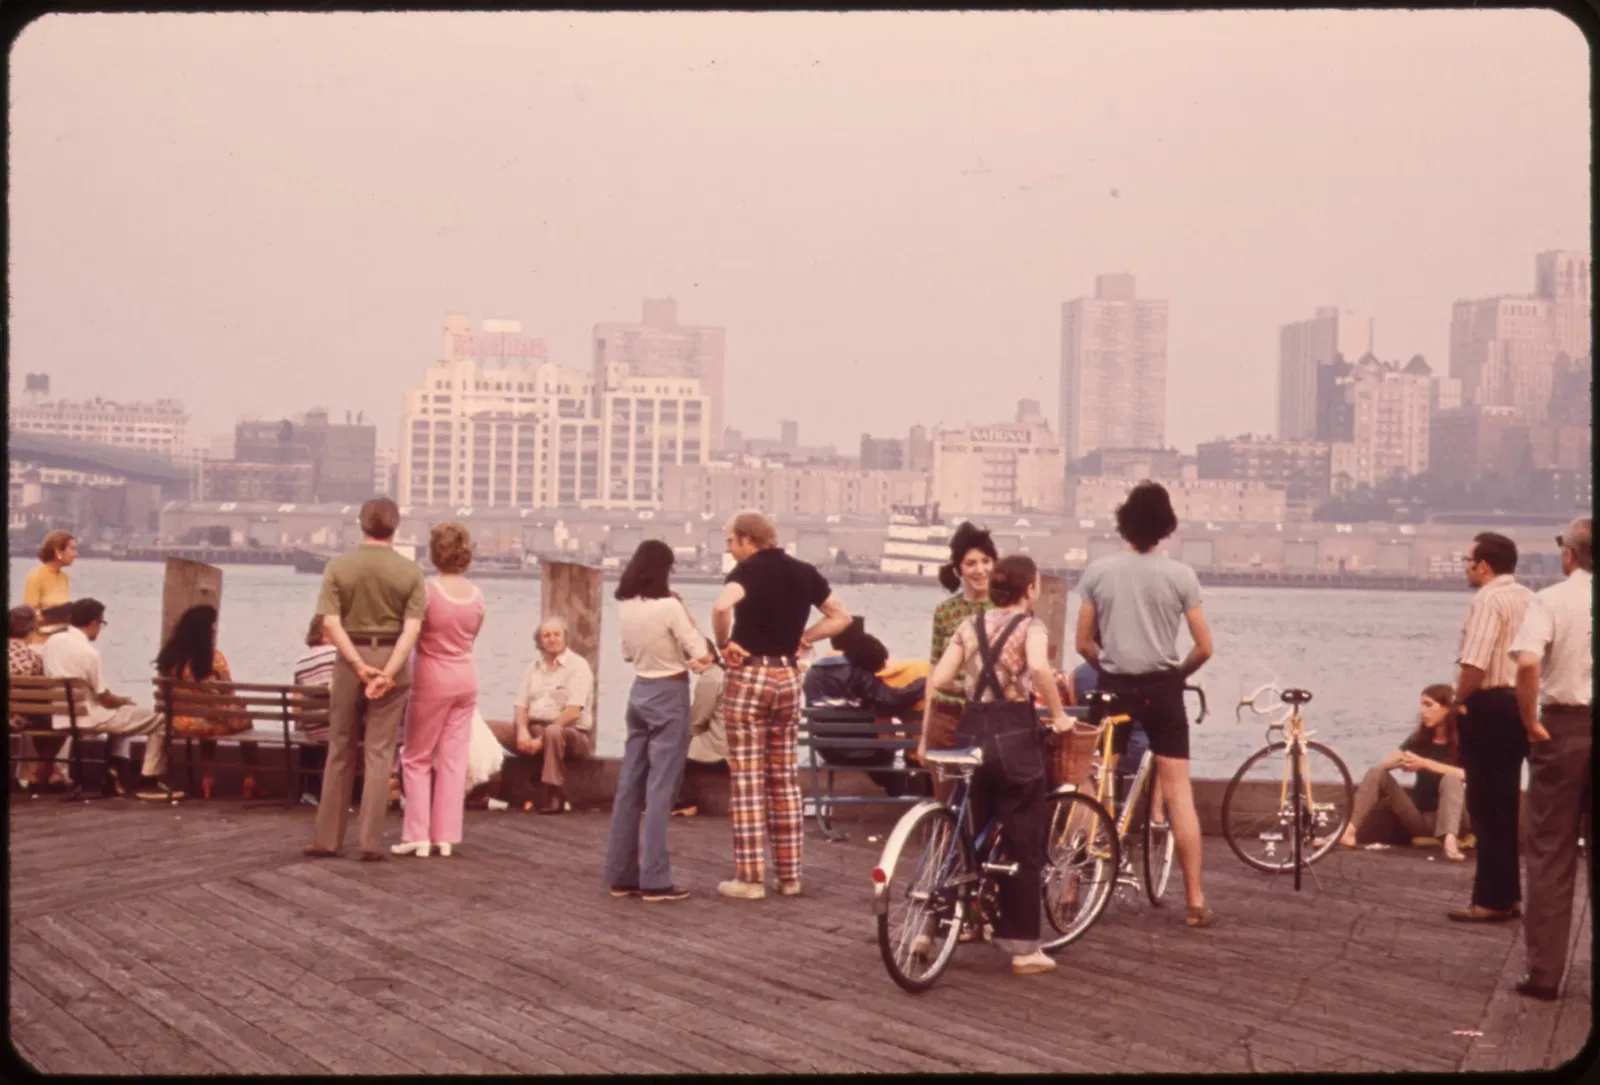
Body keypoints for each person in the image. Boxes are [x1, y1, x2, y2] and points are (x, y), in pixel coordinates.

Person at [1074, 481, 1215, 928]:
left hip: (1114, 686)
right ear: (1166, 527)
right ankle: (1195, 899)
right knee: (1178, 794)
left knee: (1091, 784)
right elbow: (1204, 646)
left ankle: (1069, 888)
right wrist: (1177, 674)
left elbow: (1082, 644)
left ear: (1124, 525)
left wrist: (1111, 663)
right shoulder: (1181, 576)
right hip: (1163, 689)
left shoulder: (1098, 573)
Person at [927, 554, 1073, 975]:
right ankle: (1023, 948)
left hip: (971, 729)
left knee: (968, 826)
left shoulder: (968, 626)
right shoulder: (1032, 626)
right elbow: (1041, 670)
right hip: (1013, 733)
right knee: (1023, 837)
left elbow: (939, 680)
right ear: (1030, 590)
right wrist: (1060, 716)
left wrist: (971, 684)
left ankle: (934, 924)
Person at [711, 510, 852, 900]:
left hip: (751, 676)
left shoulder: (748, 571)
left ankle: (751, 879)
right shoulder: (804, 572)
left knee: (747, 780)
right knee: (784, 779)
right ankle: (789, 877)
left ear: (747, 540)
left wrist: (724, 645)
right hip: (789, 679)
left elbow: (722, 607)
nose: (729, 549)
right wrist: (805, 637)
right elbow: (841, 616)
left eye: (730, 541)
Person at [303, 497, 427, 862]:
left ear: (361, 524)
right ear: (395, 527)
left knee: (340, 748)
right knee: (379, 753)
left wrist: (358, 665)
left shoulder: (338, 567)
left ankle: (327, 839)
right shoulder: (411, 573)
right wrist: (387, 672)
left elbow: (330, 623)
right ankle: (370, 841)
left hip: (350, 659)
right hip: (392, 658)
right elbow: (412, 630)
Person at [604, 540, 716, 902]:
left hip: (639, 691)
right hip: (669, 692)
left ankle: (621, 874)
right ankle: (655, 879)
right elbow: (698, 650)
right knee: (659, 789)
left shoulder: (626, 605)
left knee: (629, 788)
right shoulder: (670, 606)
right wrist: (688, 618)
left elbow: (625, 653)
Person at [1510, 518, 1592, 1000]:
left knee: (1550, 851)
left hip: (1564, 726)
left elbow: (1526, 662)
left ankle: (1544, 974)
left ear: (1570, 555)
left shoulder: (1551, 599)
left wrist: (1529, 721)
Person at [1447, 531, 1534, 923]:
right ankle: (1509, 895)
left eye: (1469, 561)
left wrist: (1455, 701)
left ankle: (1490, 900)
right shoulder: (1529, 598)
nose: (1466, 568)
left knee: (1485, 805)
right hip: (1521, 703)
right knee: (1507, 801)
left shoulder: (1488, 601)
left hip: (1488, 705)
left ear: (1484, 565)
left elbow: (1474, 664)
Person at [393, 522, 485, 859]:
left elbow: (413, 634)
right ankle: (446, 836)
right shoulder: (477, 596)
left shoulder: (427, 592)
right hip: (466, 678)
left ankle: (417, 834)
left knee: (416, 757)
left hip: (432, 678)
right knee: (452, 759)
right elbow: (473, 636)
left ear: (434, 554)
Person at [40, 598, 175, 800]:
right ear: (94, 623)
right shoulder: (89, 653)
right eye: (101, 624)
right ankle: (149, 779)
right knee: (160, 721)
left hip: (62, 718)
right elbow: (105, 699)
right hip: (90, 718)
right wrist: (124, 700)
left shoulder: (51, 643)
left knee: (123, 722)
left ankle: (114, 776)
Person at [1337, 685, 1469, 860]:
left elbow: (1470, 776)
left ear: (1446, 709)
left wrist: (1424, 764)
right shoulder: (1420, 738)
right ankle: (1348, 832)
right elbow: (1383, 765)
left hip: (1456, 820)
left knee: (1451, 779)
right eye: (1422, 705)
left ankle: (1450, 843)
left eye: (1428, 705)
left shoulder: (1464, 741)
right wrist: (1402, 761)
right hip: (1420, 819)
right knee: (1377, 772)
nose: (1423, 711)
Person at [921, 522, 997, 802]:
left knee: (986, 806)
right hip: (946, 719)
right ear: (958, 570)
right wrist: (924, 732)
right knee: (945, 806)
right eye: (971, 563)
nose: (980, 570)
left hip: (990, 719)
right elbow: (934, 670)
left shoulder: (1007, 609)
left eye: (986, 561)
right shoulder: (945, 612)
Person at [803, 627, 927, 797]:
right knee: (882, 743)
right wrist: (924, 683)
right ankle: (897, 787)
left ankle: (894, 784)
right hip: (870, 752)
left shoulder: (812, 673)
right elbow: (890, 700)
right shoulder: (859, 672)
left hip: (829, 751)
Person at [155, 604, 262, 800]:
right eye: (213, 624)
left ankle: (207, 778)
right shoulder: (213, 658)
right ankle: (250, 778)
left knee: (211, 717)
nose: (215, 628)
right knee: (240, 721)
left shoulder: (169, 658)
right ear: (205, 628)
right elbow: (228, 690)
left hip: (178, 722)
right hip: (207, 723)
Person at [504, 616, 596, 814]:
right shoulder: (533, 668)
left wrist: (541, 739)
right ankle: (482, 788)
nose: (552, 639)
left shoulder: (578, 666)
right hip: (534, 728)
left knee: (553, 731)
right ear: (540, 641)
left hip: (571, 733)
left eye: (556, 634)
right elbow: (521, 705)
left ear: (565, 637)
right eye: (546, 636)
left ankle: (553, 792)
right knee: (486, 728)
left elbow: (574, 711)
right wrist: (521, 730)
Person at [9, 605, 69, 790]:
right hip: (15, 719)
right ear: (31, 629)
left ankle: (42, 772)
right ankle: (44, 769)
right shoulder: (32, 657)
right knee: (57, 718)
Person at [291, 614, 337, 805]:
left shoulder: (301, 663)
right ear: (326, 633)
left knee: (312, 724)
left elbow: (297, 704)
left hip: (312, 730)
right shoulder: (339, 655)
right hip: (338, 728)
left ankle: (310, 790)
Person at [24, 531, 77, 640]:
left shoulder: (64, 577)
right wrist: (56, 615)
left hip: (61, 640)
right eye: (72, 549)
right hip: (40, 642)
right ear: (58, 551)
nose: (76, 554)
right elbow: (29, 617)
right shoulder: (35, 576)